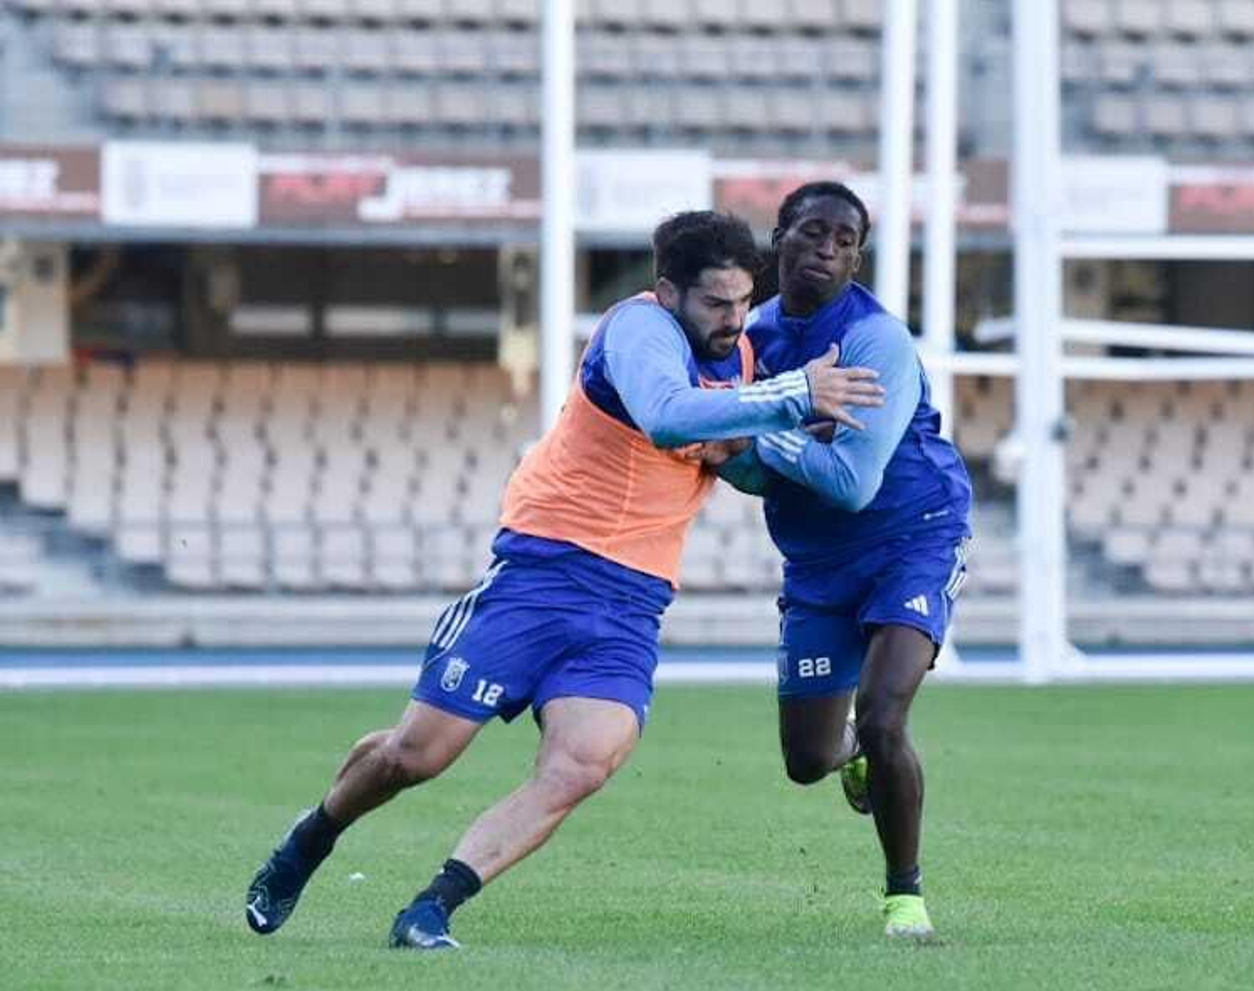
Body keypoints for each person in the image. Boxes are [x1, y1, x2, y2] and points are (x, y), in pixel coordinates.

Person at [244, 210, 885, 950]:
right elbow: (670, 418)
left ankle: (432, 908)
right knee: (417, 756)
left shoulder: (737, 358)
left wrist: (792, 446)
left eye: (744, 302)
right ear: (667, 290)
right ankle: (313, 837)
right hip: (544, 573)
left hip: (634, 602)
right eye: (716, 302)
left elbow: (730, 454)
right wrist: (795, 398)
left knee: (581, 764)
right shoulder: (637, 331)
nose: (735, 319)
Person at [716, 182, 973, 940]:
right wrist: (758, 438)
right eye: (814, 232)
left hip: (913, 536)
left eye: (847, 239)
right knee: (807, 760)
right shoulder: (751, 339)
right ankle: (854, 752)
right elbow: (741, 464)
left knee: (886, 715)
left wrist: (758, 427)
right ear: (780, 237)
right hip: (819, 563)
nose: (829, 249)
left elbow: (855, 482)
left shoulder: (875, 342)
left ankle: (905, 896)